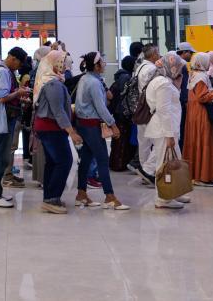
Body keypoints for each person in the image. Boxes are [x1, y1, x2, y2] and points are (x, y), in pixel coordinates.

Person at [73, 52, 127, 210]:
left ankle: (81, 194)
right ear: (96, 66)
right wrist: (113, 125)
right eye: (102, 62)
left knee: (86, 159)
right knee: (102, 159)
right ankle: (109, 196)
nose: (104, 64)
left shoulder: (85, 78)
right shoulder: (94, 83)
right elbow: (101, 107)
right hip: (91, 125)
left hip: (83, 123)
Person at [32, 49, 82, 213]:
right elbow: (58, 111)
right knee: (64, 161)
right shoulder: (53, 84)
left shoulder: (50, 80)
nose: (65, 66)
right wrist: (71, 132)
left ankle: (50, 197)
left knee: (53, 162)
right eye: (63, 62)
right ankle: (52, 199)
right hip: (51, 128)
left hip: (49, 127)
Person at [0, 47, 30, 208]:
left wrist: (19, 95)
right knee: (0, 157)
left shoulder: (5, 71)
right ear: (12, 58)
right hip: (3, 119)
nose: (19, 67)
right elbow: (2, 98)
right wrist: (19, 93)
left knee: (3, 156)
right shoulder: (2, 72)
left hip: (6, 118)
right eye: (19, 63)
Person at [144, 52, 187, 209]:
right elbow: (164, 110)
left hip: (166, 128)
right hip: (164, 130)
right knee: (164, 164)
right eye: (178, 67)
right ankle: (163, 198)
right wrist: (169, 135)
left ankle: (172, 193)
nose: (180, 71)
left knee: (171, 162)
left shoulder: (163, 80)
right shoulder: (163, 83)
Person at [184, 52, 213, 187]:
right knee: (204, 141)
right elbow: (202, 97)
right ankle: (203, 176)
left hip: (193, 112)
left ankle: (194, 174)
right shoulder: (201, 77)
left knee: (194, 141)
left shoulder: (193, 74)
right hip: (201, 113)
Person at [134, 45, 162, 183]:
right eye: (158, 52)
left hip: (140, 108)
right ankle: (148, 171)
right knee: (157, 141)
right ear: (153, 55)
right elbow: (155, 88)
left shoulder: (139, 67)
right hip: (149, 108)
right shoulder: (152, 69)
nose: (159, 55)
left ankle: (144, 173)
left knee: (143, 143)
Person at [108, 55, 136, 173]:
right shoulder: (128, 79)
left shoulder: (117, 79)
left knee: (117, 139)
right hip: (125, 114)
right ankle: (121, 164)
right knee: (124, 140)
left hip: (117, 114)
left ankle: (115, 163)